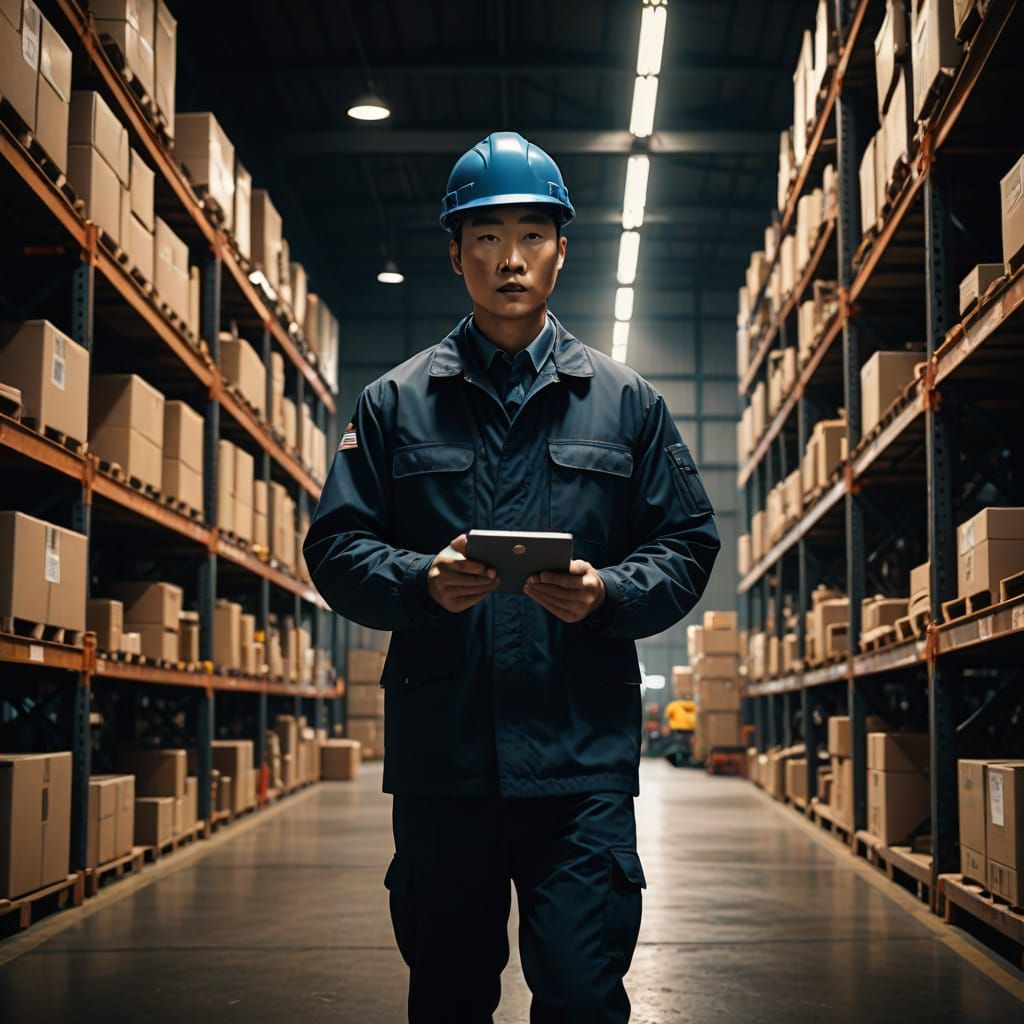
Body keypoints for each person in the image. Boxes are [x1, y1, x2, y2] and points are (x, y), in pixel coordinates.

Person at [304, 131, 720, 1024]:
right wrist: (421, 583)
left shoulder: (627, 402)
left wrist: (609, 594)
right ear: (456, 254)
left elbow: (686, 543)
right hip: (444, 759)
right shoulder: (392, 404)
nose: (510, 259)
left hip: (578, 761)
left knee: (581, 994)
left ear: (562, 250)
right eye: (486, 237)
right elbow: (336, 547)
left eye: (533, 234)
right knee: (449, 995)